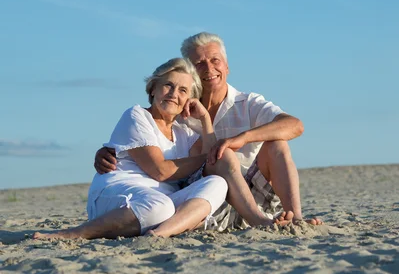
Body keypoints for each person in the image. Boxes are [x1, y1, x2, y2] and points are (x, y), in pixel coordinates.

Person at [33, 57, 277, 242]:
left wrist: (204, 120)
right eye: (168, 86)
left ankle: (158, 235)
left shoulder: (185, 131)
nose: (174, 94)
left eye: (183, 91)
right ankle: (74, 233)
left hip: (161, 203)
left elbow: (214, 162)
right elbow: (160, 171)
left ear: (189, 99)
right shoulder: (136, 116)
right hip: (118, 193)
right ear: (153, 89)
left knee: (217, 184)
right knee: (159, 207)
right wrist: (205, 157)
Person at [95, 34, 321, 230]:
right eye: (200, 64)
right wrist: (113, 150)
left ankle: (297, 220)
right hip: (208, 196)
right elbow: (150, 134)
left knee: (277, 143)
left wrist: (242, 138)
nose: (209, 69)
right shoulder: (178, 108)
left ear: (227, 67)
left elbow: (295, 125)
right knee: (221, 157)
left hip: (256, 195)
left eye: (215, 61)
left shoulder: (248, 103)